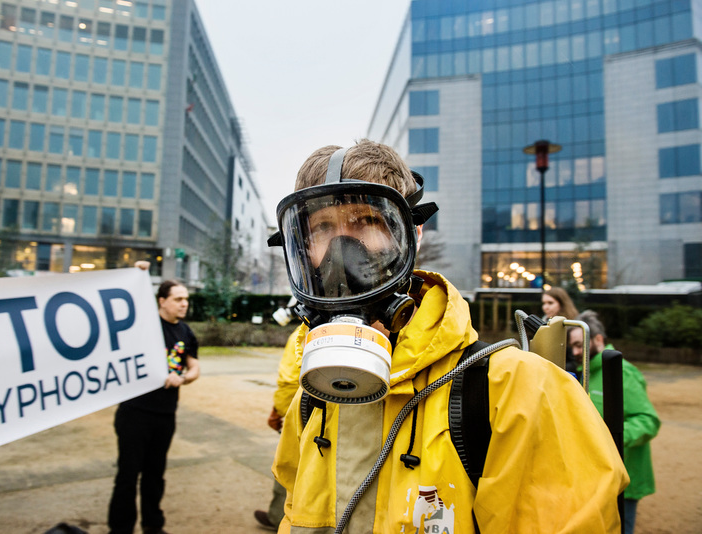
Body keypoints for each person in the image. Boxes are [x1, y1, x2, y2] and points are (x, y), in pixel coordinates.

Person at [270, 139, 629, 533]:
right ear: (304, 248)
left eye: (366, 222)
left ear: (412, 235)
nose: (341, 248)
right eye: (322, 227)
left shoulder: (514, 390)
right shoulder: (315, 397)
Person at [107, 278, 200, 534]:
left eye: (186, 300)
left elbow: (193, 366)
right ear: (161, 301)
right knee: (128, 475)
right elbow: (130, 305)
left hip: (165, 414)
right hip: (134, 413)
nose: (184, 304)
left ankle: (152, 525)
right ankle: (120, 529)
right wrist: (138, 274)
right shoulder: (144, 327)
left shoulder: (185, 332)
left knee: (155, 474)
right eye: (178, 299)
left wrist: (182, 378)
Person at [568, 310, 661, 534]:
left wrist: (608, 439)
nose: (576, 352)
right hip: (598, 476)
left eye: (580, 345)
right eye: (573, 347)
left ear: (598, 339)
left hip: (625, 477)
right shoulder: (585, 372)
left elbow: (648, 420)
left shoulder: (622, 372)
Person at [254, 320, 305, 531]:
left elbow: (289, 381)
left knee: (289, 465)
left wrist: (278, 411)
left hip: (301, 415)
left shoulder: (301, 335)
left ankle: (278, 516)